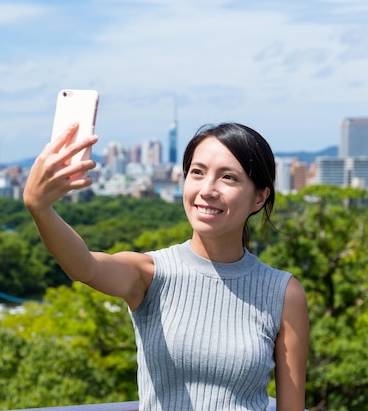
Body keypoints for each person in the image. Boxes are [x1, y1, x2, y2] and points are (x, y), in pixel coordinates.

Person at [23, 121, 310, 411]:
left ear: (259, 197)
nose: (207, 189)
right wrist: (40, 207)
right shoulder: (151, 273)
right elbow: (84, 267)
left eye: (228, 178)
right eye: (197, 173)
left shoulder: (284, 293)